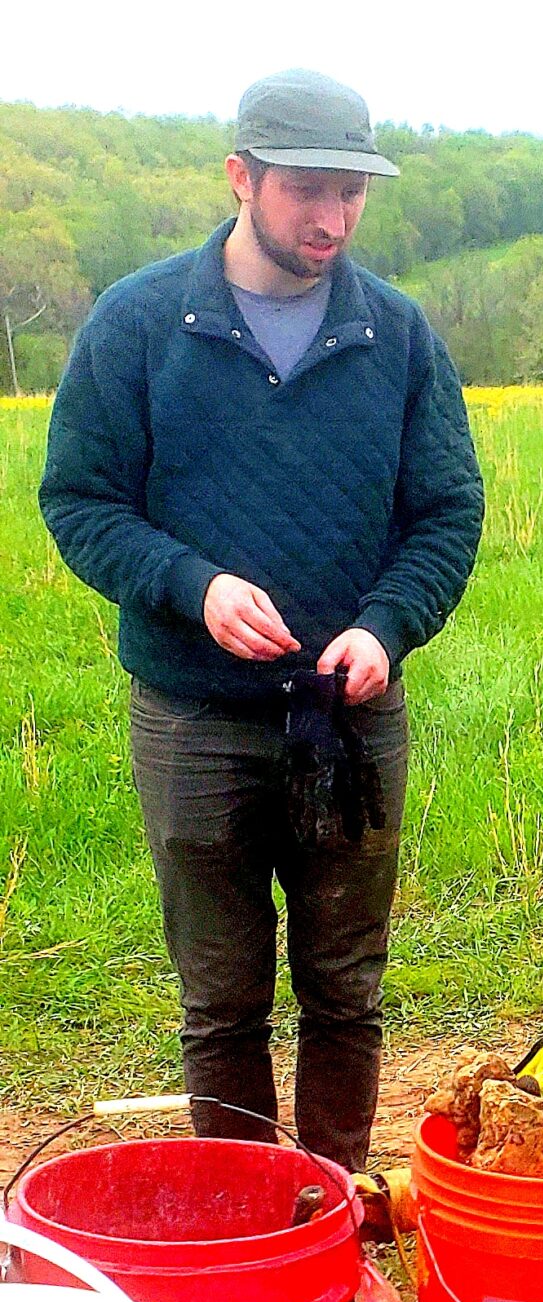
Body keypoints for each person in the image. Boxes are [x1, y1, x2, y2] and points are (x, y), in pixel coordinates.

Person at [40, 69, 485, 1172]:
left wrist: (388, 626)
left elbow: (446, 511)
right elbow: (81, 501)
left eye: (351, 192)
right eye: (306, 190)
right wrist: (190, 585)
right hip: (194, 722)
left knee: (346, 991)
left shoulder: (397, 335)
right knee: (221, 1000)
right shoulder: (140, 322)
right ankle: (242, 1207)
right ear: (241, 177)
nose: (331, 218)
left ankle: (331, 1203)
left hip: (351, 718)